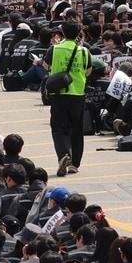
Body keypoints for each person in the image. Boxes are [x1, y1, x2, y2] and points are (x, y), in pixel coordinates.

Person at [45, 22, 92, 177]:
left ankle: (64, 154)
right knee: (77, 130)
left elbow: (46, 65)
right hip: (78, 95)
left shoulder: (55, 48)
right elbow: (88, 71)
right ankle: (74, 164)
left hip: (59, 94)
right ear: (79, 32)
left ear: (63, 32)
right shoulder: (84, 51)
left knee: (58, 128)